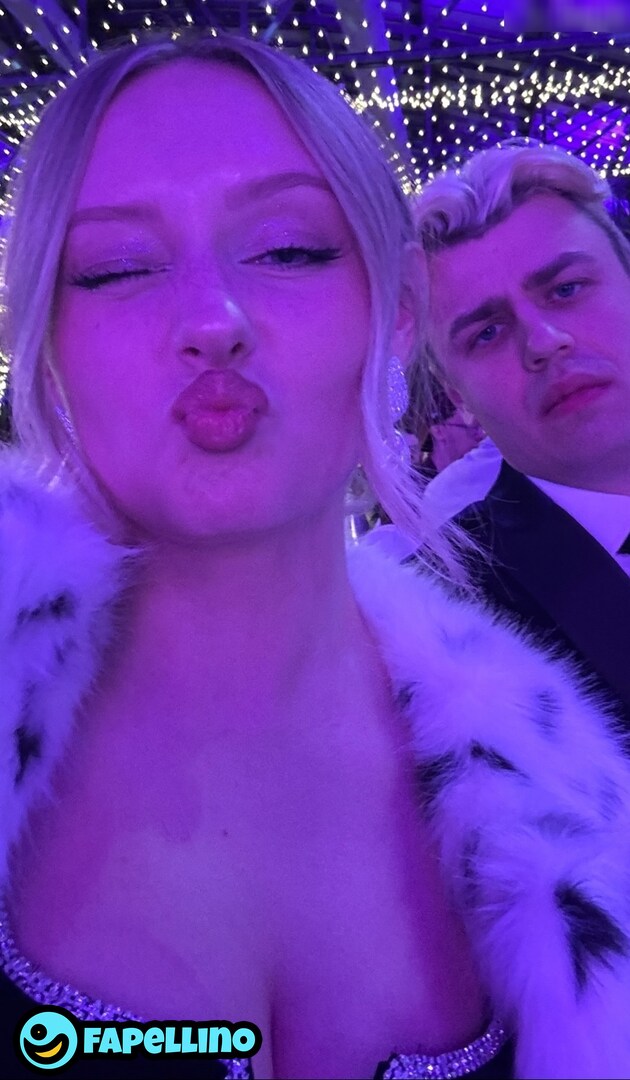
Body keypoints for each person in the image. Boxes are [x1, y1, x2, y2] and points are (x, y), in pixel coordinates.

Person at [1, 36, 630, 1080]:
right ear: (48, 337)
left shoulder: (570, 799)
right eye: (117, 266)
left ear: (394, 315)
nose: (212, 322)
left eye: (288, 250)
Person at [414, 142, 630, 730]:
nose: (544, 341)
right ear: (457, 393)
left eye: (567, 289)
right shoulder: (444, 622)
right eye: (486, 333)